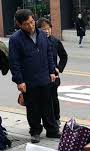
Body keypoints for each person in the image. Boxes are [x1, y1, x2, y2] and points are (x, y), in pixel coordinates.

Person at [9, 9, 61, 143]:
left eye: (32, 22)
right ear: (19, 24)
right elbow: (14, 62)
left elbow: (48, 53)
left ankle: (52, 130)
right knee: (33, 108)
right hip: (29, 80)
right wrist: (19, 81)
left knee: (48, 106)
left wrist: (51, 71)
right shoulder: (15, 39)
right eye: (26, 24)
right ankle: (35, 131)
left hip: (45, 77)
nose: (31, 26)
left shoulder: (42, 35)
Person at [37, 18, 68, 125]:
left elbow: (64, 56)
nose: (47, 31)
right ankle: (42, 121)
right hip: (40, 76)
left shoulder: (55, 41)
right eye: (43, 29)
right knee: (41, 100)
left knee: (53, 98)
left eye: (48, 28)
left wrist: (59, 68)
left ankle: (56, 118)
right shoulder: (35, 42)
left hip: (53, 76)